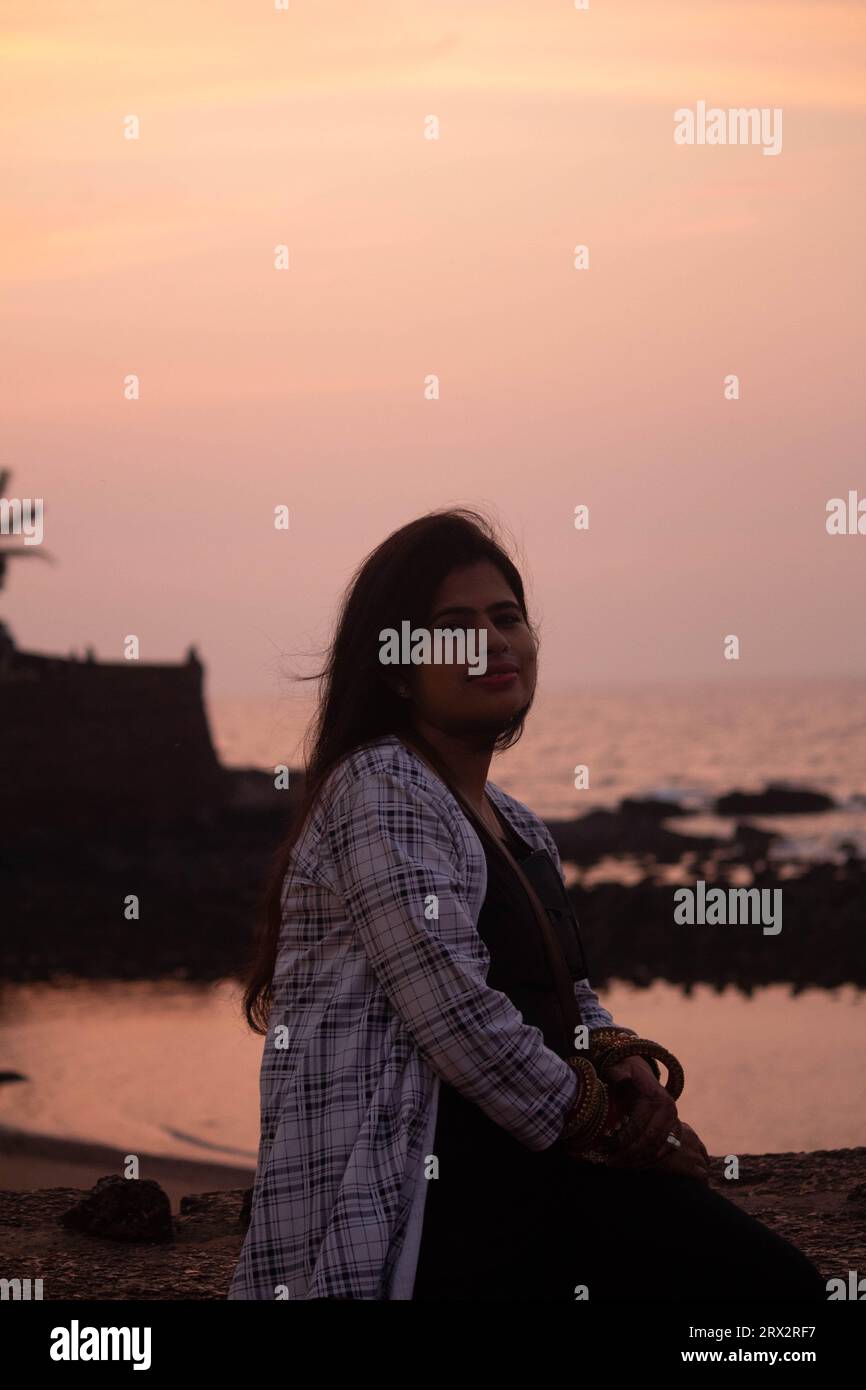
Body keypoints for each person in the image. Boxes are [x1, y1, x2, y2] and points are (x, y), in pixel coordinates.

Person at [227, 508, 826, 1301]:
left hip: (528, 1166)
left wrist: (625, 1063)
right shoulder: (379, 788)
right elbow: (454, 1015)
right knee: (768, 1291)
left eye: (506, 618)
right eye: (453, 626)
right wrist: (618, 1133)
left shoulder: (516, 824)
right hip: (430, 1191)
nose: (492, 641)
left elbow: (564, 989)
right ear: (396, 667)